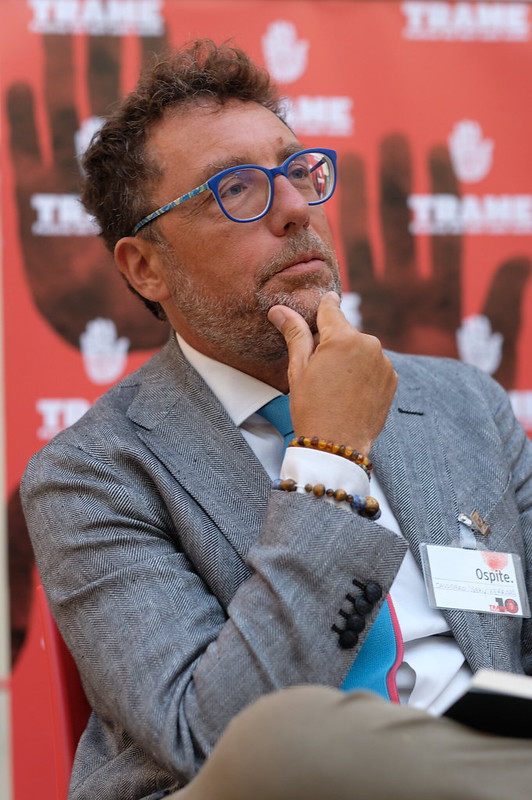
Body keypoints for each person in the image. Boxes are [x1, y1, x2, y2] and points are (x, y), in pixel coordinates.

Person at [21, 39, 532, 800]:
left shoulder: (464, 404)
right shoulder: (91, 474)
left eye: (297, 172)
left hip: (491, 770)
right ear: (145, 267)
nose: (295, 209)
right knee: (283, 734)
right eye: (234, 189)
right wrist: (331, 457)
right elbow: (216, 743)